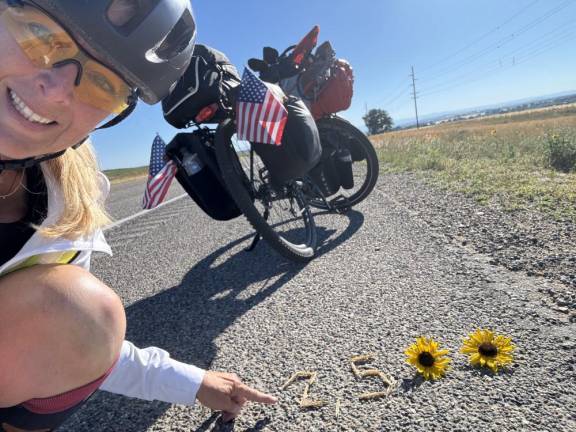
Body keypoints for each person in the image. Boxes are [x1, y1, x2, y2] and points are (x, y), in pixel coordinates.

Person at [0, 1, 277, 431]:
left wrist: (194, 382)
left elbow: (78, 342)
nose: (56, 90)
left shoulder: (69, 194)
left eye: (100, 84)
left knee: (82, 313)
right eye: (39, 37)